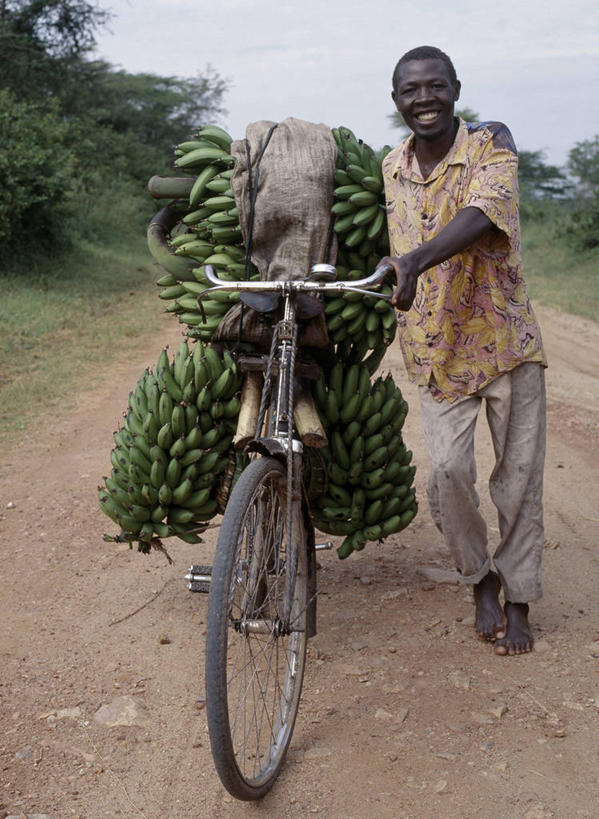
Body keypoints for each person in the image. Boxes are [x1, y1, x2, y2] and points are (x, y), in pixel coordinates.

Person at [380, 45, 547, 656]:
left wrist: (415, 261)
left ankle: (520, 599)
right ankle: (479, 577)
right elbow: (389, 239)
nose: (424, 98)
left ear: (455, 88)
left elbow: (482, 214)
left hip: (506, 343)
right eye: (410, 90)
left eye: (434, 86)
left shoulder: (491, 146)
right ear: (395, 101)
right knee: (449, 473)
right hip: (435, 348)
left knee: (519, 479)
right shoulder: (389, 168)